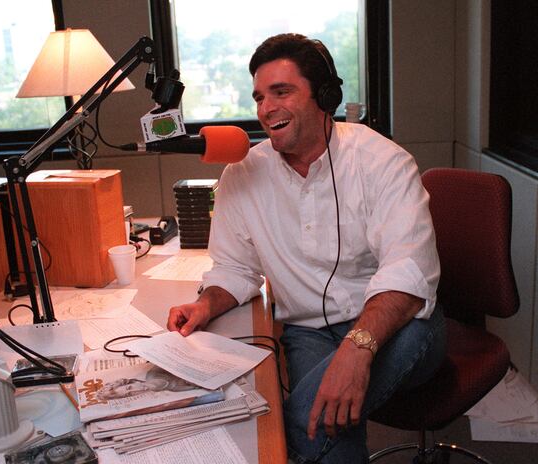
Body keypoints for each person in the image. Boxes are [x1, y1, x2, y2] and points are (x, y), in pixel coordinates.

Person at [167, 33, 447, 463]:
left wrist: (357, 349)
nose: (265, 109)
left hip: (401, 324)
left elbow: (409, 272)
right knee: (331, 432)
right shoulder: (241, 174)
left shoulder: (384, 162)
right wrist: (206, 304)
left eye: (282, 92)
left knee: (298, 420)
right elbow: (235, 270)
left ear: (324, 96)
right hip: (309, 332)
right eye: (260, 97)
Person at [96, 365, 196, 400]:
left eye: (130, 388)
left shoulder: (154, 373)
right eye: (130, 394)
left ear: (133, 382)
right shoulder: (174, 391)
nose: (136, 391)